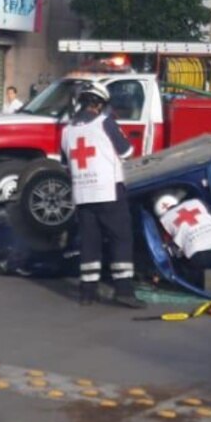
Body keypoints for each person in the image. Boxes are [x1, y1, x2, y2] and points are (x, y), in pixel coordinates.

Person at [61, 82, 144, 309]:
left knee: (90, 242)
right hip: (108, 191)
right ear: (98, 104)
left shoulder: (66, 131)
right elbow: (127, 151)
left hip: (83, 194)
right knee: (121, 238)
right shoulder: (104, 122)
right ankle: (124, 290)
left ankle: (88, 291)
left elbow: (65, 163)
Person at [153, 192, 211, 276]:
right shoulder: (196, 202)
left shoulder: (164, 221)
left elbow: (168, 246)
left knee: (181, 259)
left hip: (199, 259)